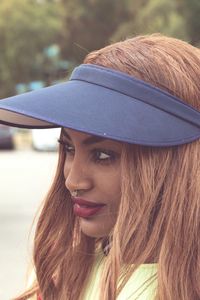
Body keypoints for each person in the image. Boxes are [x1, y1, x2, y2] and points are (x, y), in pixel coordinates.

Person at [0, 34, 199, 300]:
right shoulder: (60, 271)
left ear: (174, 164)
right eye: (69, 148)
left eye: (103, 155)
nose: (73, 180)